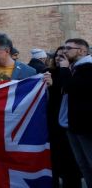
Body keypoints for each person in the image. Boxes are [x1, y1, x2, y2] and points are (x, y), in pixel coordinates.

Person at [58, 38, 92, 187]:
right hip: (72, 124)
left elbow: (74, 89)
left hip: (85, 125)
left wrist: (64, 69)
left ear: (82, 50)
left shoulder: (88, 68)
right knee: (82, 163)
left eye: (68, 48)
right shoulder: (75, 68)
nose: (64, 51)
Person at [47, 46, 82, 188]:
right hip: (53, 121)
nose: (58, 58)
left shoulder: (73, 73)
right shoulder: (48, 73)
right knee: (54, 157)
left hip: (69, 121)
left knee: (71, 159)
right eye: (57, 55)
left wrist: (54, 85)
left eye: (62, 56)